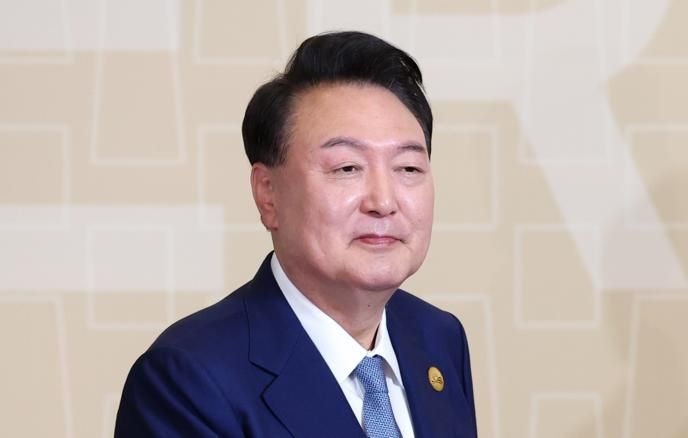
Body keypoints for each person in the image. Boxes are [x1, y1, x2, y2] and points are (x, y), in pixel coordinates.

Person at [115, 31, 477, 438]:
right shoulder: (187, 380)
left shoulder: (438, 338)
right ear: (267, 194)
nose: (383, 201)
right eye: (347, 168)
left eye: (408, 168)